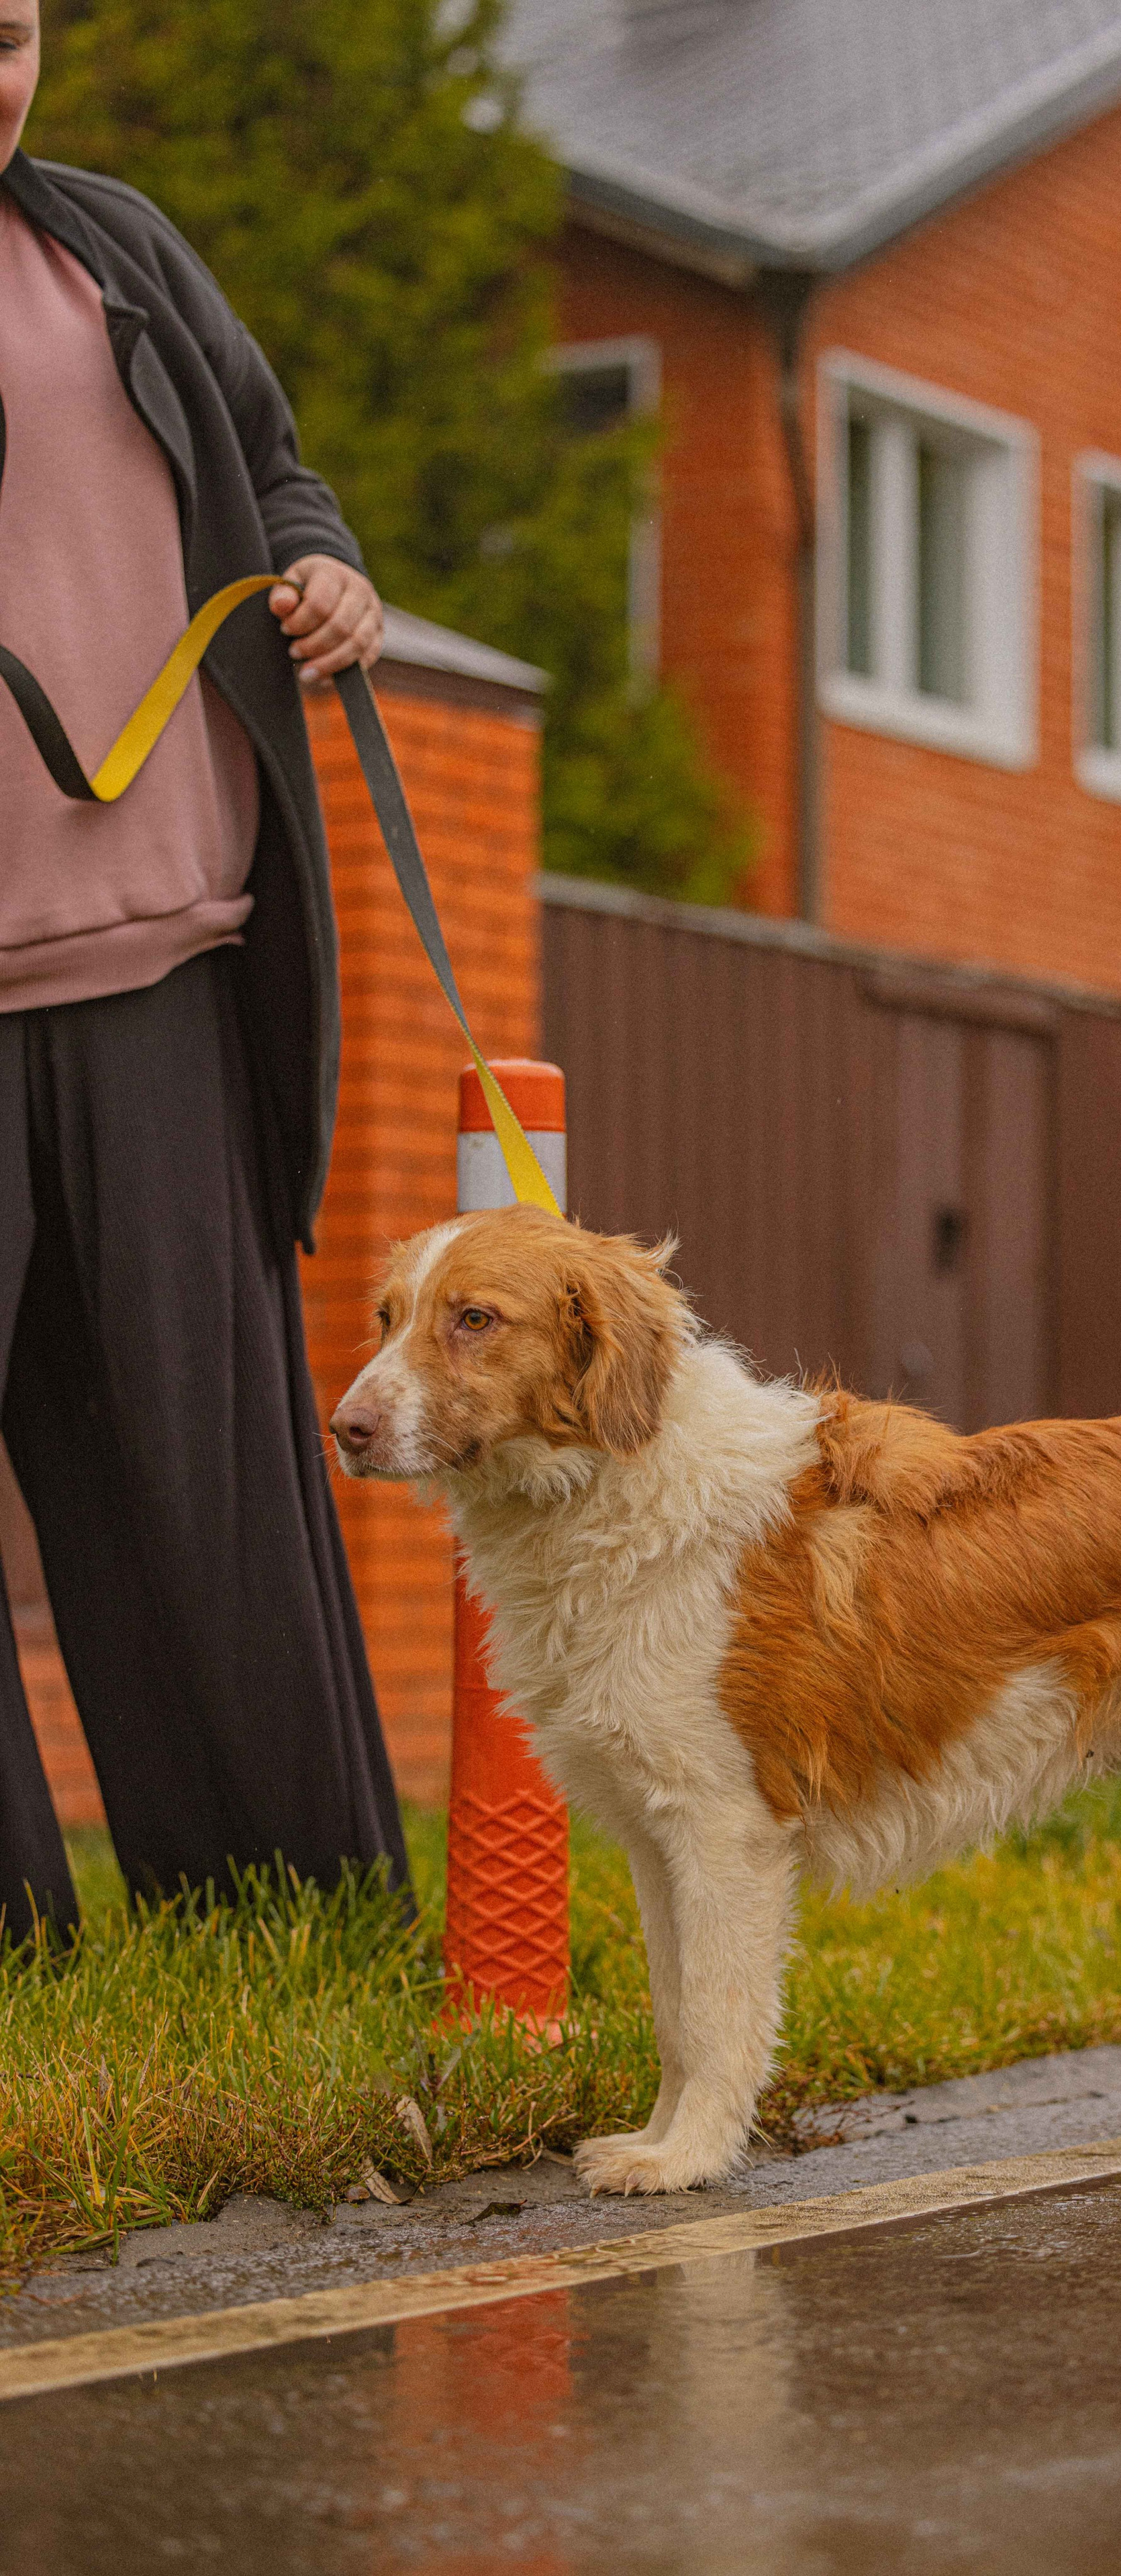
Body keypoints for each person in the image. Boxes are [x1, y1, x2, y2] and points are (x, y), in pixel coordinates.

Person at [0, 3, 411, 1934]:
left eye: (6, 34)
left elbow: (269, 465)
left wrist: (326, 569)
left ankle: (291, 1919)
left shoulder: (114, 245)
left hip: (168, 966)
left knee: (214, 1480)